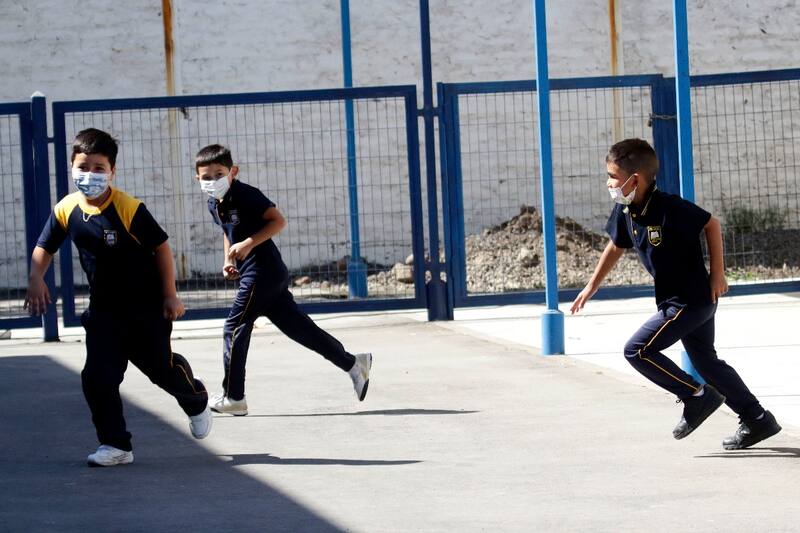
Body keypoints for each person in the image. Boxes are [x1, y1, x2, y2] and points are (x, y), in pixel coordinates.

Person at [570, 138, 781, 450]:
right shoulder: (626, 209)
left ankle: (695, 396)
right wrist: (592, 285)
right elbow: (616, 245)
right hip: (685, 301)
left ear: (635, 180)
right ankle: (757, 418)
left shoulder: (668, 208)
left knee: (637, 351)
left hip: (689, 300)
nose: (609, 183)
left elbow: (711, 224)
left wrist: (718, 273)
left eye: (613, 177)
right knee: (706, 363)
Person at [25, 128, 211, 467]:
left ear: (112, 171)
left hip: (146, 310)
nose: (90, 174)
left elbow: (161, 248)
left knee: (161, 370)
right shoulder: (66, 208)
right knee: (98, 377)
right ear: (72, 167)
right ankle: (116, 445)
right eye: (83, 167)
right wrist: (36, 278)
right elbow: (44, 246)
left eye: (99, 168)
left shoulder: (128, 208)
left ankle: (195, 399)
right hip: (104, 312)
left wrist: (170, 295)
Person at [193, 144, 371, 415]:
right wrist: (229, 260)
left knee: (235, 327)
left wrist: (248, 244)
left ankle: (234, 397)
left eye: (219, 174)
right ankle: (353, 364)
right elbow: (228, 232)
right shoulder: (213, 203)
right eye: (206, 177)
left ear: (233, 172)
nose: (213, 181)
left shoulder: (246, 194)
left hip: (262, 272)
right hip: (262, 275)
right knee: (300, 329)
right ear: (197, 179)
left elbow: (277, 221)